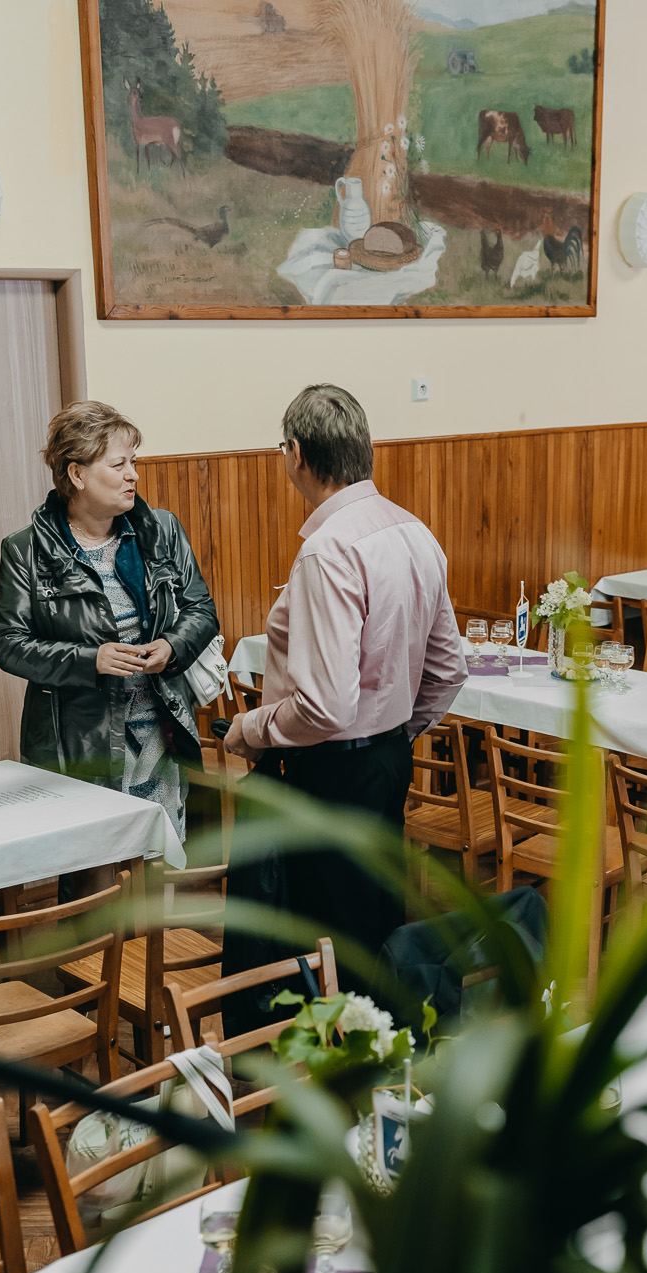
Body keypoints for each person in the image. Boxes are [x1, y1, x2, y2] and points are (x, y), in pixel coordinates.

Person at [224, 383, 466, 983]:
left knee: (329, 939)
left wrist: (252, 728)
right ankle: (386, 1037)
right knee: (377, 924)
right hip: (386, 761)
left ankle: (341, 1040)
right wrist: (392, 734)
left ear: (296, 454)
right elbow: (448, 671)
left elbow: (326, 707)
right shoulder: (415, 531)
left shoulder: (328, 551)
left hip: (331, 770)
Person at [0, 399, 216, 844]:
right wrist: (90, 659)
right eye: (118, 464)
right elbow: (9, 644)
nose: (133, 475)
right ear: (77, 474)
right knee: (95, 862)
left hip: (160, 726)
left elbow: (201, 610)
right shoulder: (26, 551)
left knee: (161, 853)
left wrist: (172, 645)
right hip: (81, 743)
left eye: (133, 461)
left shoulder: (161, 530)